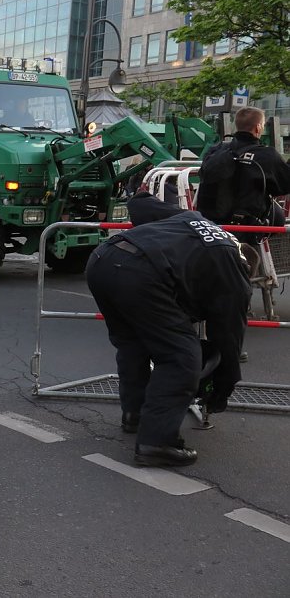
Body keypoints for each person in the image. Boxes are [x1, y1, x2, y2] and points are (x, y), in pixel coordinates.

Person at [85, 193, 251, 467]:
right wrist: (224, 385)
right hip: (141, 273)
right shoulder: (233, 273)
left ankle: (136, 415)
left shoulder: (195, 221)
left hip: (103, 259)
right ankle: (157, 442)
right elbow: (229, 338)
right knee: (180, 357)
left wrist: (139, 192)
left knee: (133, 344)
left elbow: (141, 205)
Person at [198, 106, 290, 240]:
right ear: (258, 127)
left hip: (210, 226)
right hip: (245, 230)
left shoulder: (216, 150)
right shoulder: (266, 155)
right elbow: (285, 185)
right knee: (277, 216)